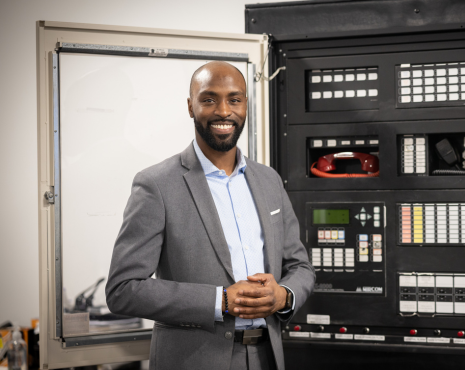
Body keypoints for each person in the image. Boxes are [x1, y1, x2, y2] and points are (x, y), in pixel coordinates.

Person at [106, 61, 315, 370]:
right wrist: (219, 301)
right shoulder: (157, 185)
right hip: (193, 360)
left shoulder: (268, 180)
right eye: (209, 99)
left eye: (234, 99)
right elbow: (123, 290)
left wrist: (283, 296)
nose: (223, 111)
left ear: (245, 105)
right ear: (191, 107)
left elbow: (301, 267)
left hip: (266, 358)